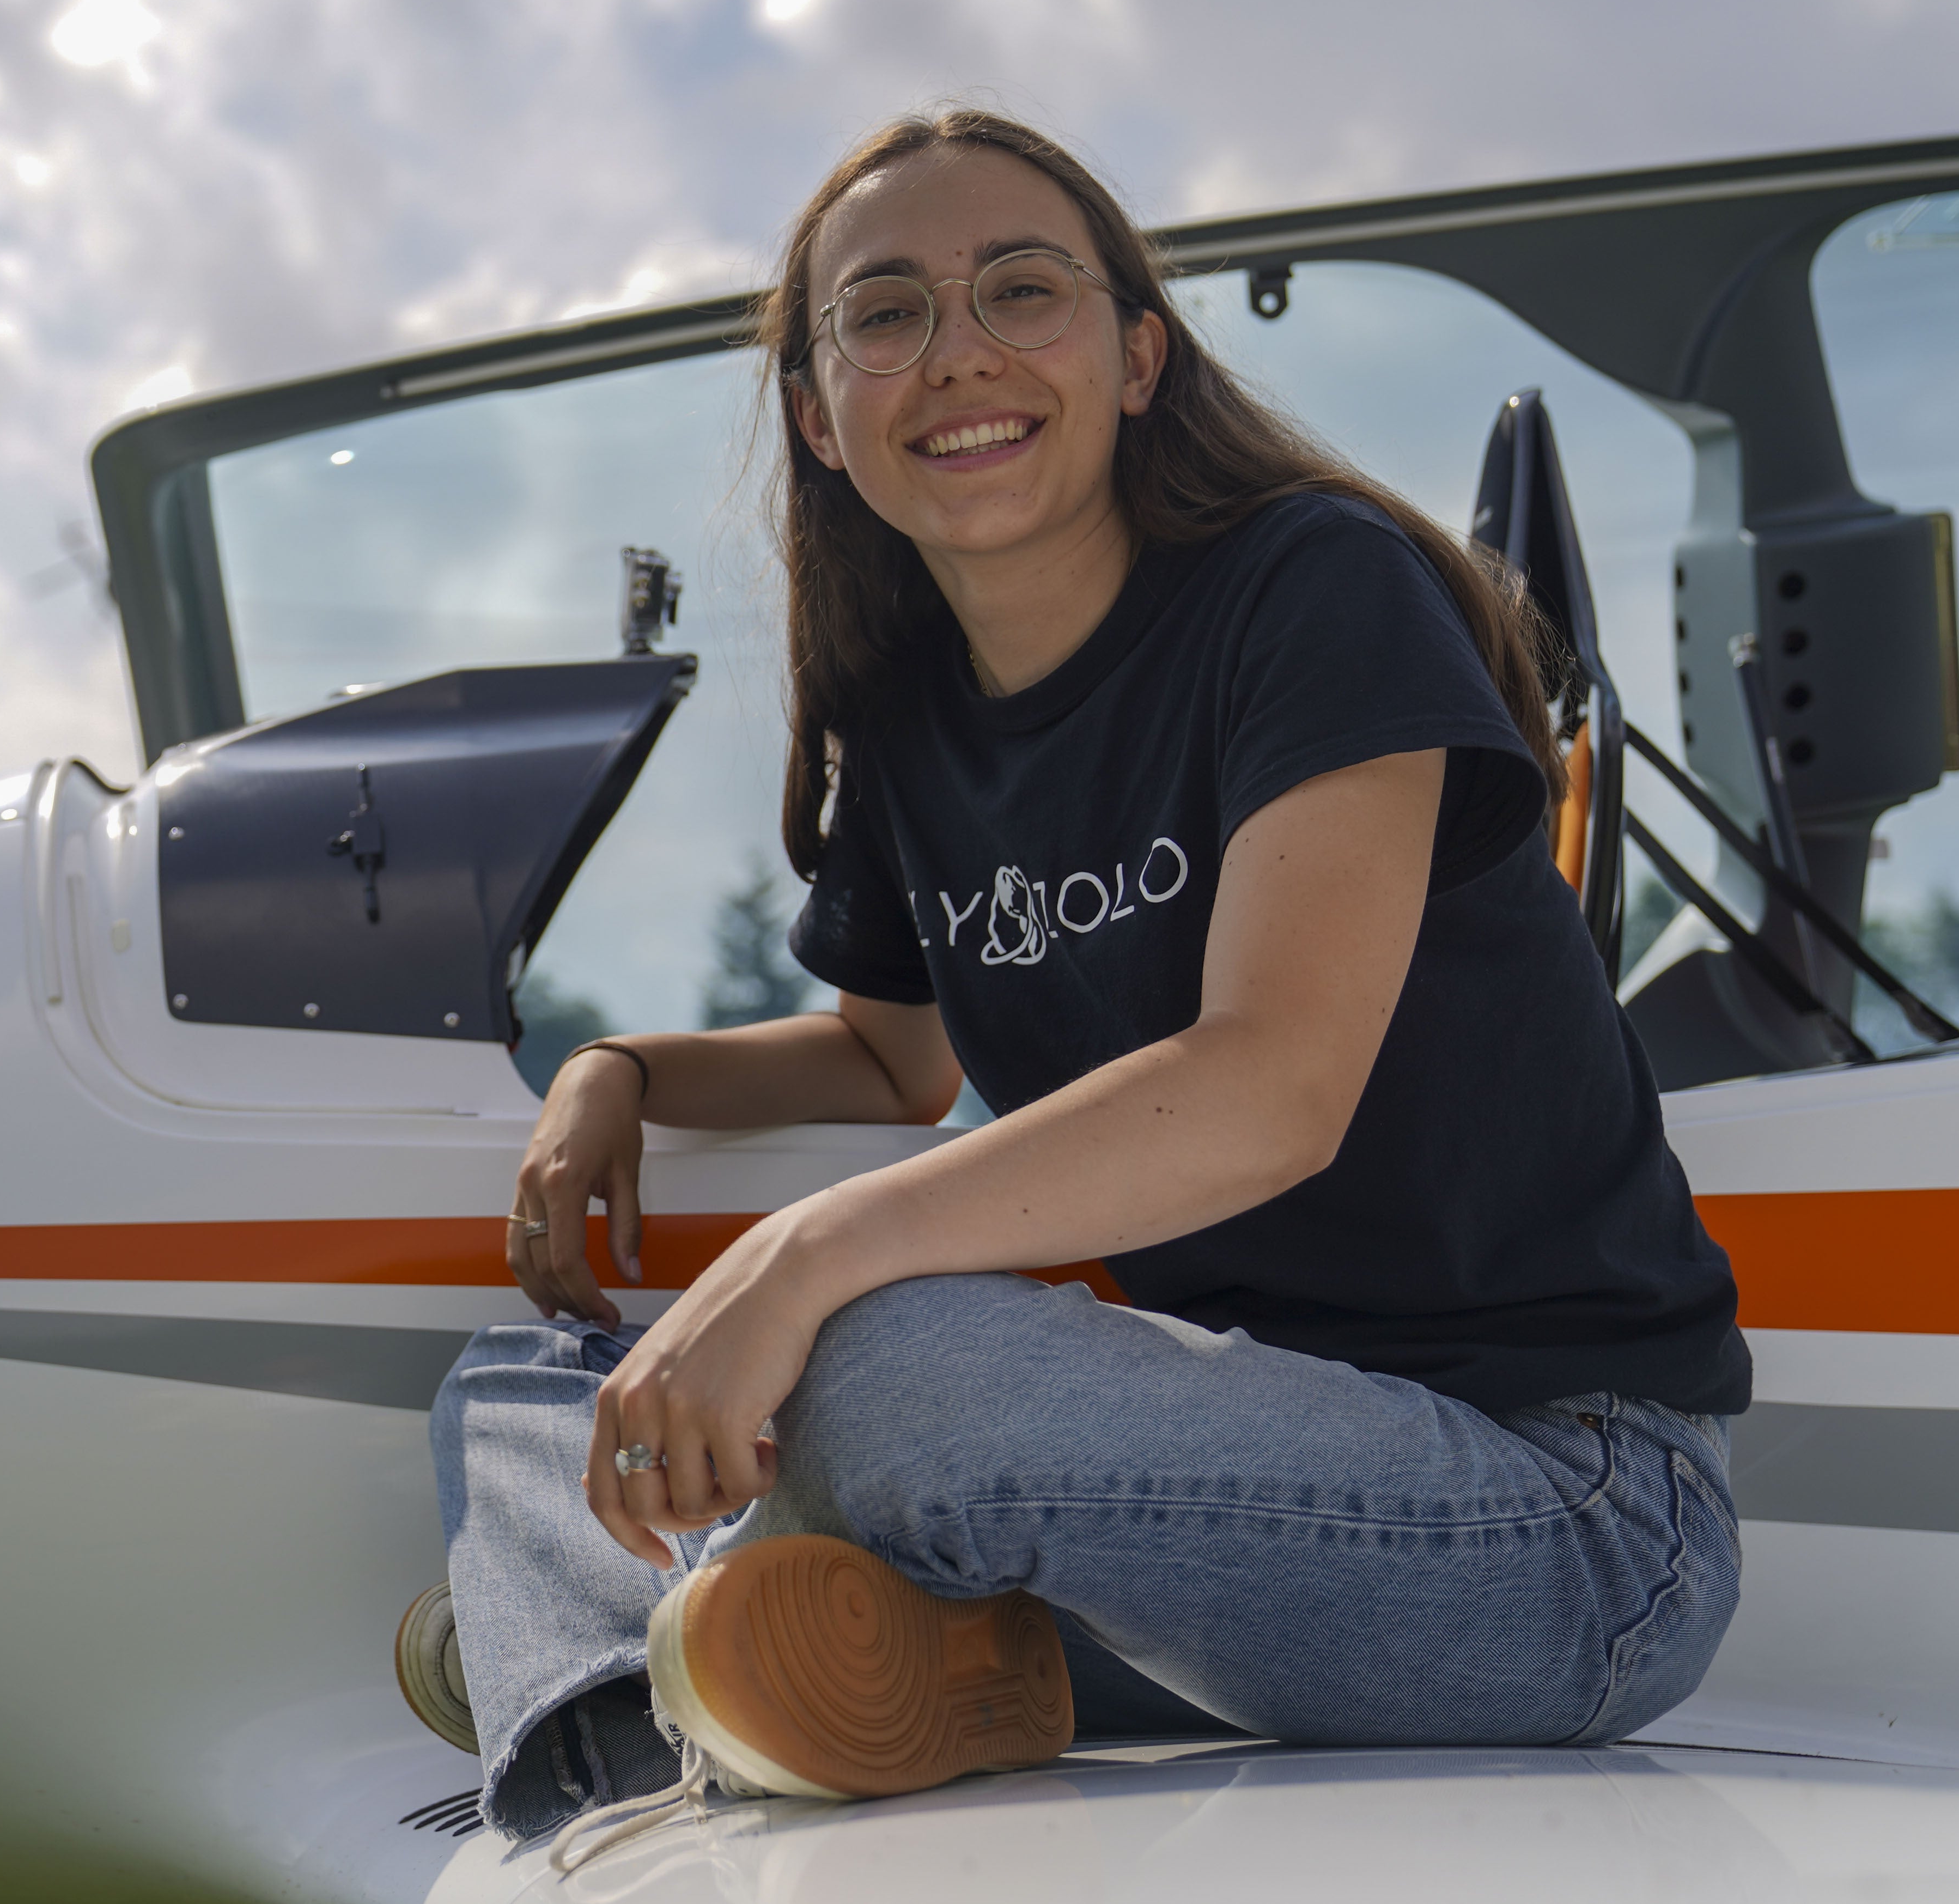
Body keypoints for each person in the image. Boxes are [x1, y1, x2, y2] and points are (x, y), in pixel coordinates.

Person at [413, 107, 1748, 1852]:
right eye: (881, 314)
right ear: (820, 417)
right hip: (1227, 1487)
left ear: (1135, 354)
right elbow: (885, 1061)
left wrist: (802, 1254)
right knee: (516, 1372)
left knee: (886, 1369)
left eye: (1018, 289)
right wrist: (626, 1075)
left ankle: (617, 1666)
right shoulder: (913, 721)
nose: (955, 349)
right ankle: (803, 1674)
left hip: (1567, 1515)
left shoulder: (1308, 589)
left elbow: (1274, 1083)